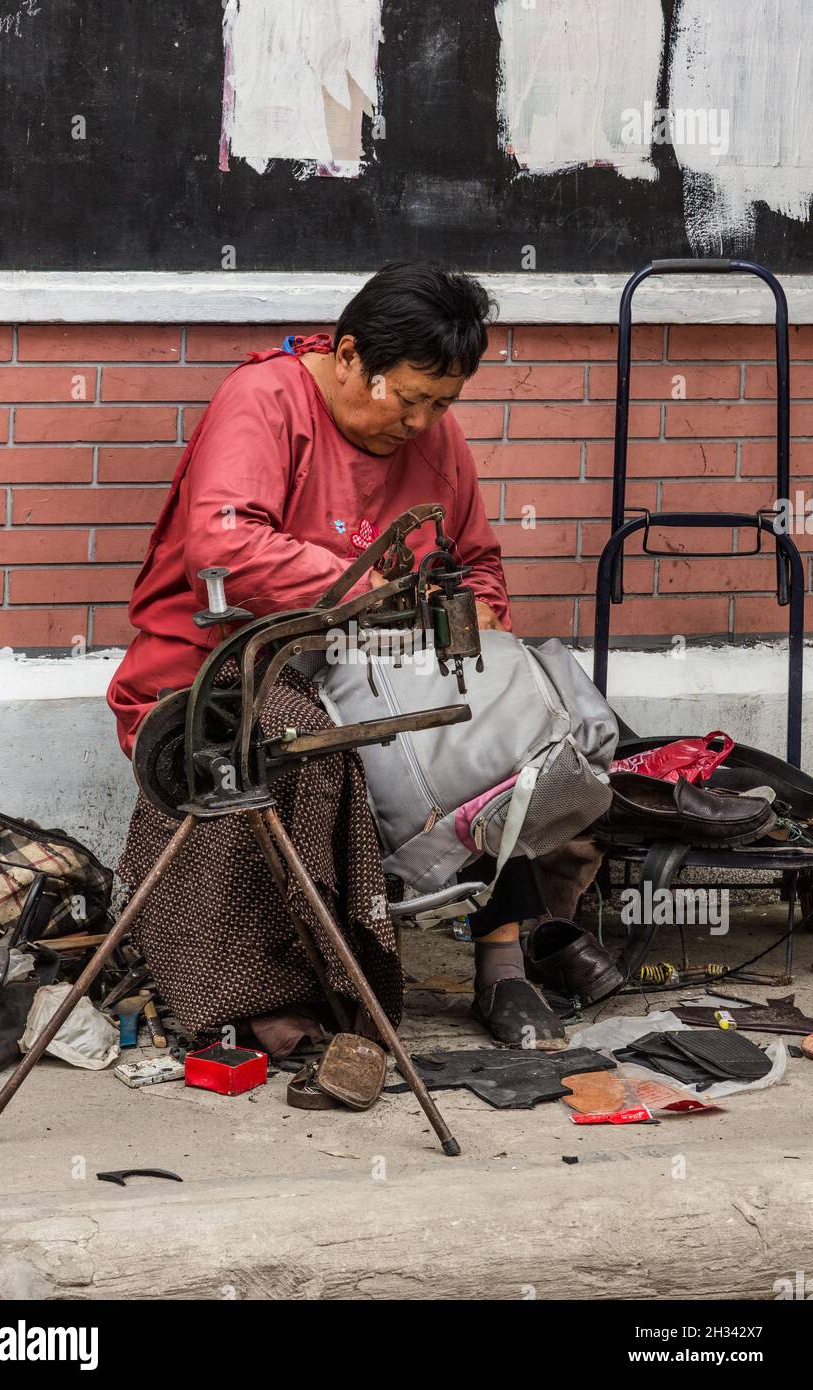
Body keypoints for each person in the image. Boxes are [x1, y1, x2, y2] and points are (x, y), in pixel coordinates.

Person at [107, 262, 587, 1054]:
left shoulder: (435, 435)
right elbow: (222, 545)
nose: (422, 421)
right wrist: (366, 595)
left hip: (372, 665)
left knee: (500, 726)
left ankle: (503, 961)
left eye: (443, 404)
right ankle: (275, 984)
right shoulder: (265, 402)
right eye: (407, 397)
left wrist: (484, 610)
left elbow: (476, 561)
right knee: (306, 749)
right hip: (224, 657)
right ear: (350, 354)